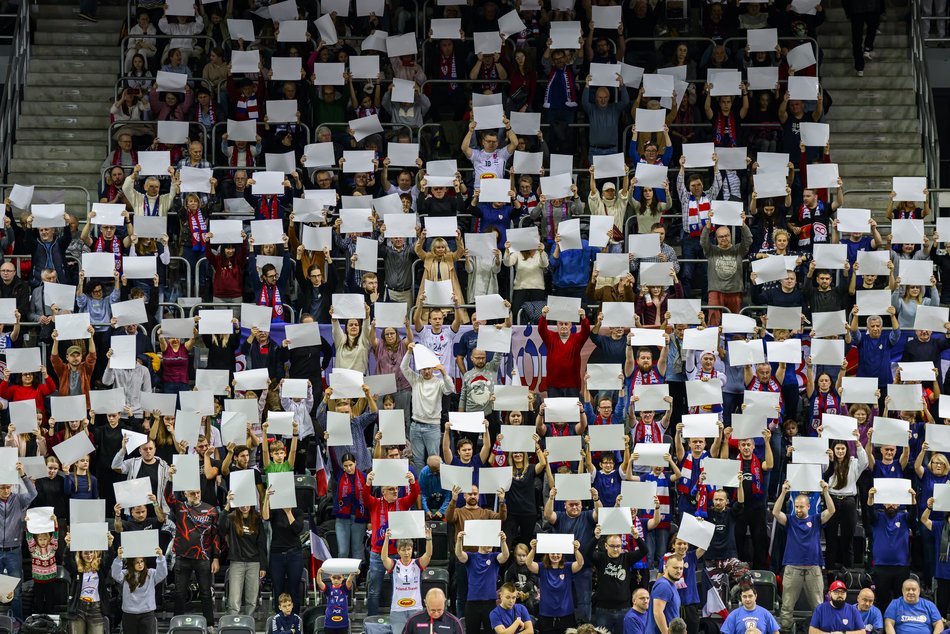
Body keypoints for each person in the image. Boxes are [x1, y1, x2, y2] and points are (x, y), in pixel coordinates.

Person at [774, 480, 837, 633]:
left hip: (813, 568)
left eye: (801, 506)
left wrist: (826, 492)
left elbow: (832, 510)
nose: (798, 509)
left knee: (818, 605)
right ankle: (786, 629)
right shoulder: (790, 520)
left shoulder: (816, 519)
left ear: (809, 506)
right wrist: (783, 492)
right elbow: (775, 513)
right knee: (787, 606)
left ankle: (820, 631)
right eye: (796, 506)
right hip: (792, 567)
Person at [164, 466, 220, 624]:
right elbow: (168, 497)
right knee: (180, 593)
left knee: (205, 593)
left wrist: (215, 557)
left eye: (198, 492)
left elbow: (216, 535)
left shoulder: (211, 511)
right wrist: (170, 479)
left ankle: (209, 624)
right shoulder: (180, 507)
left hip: (203, 557)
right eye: (192, 493)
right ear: (185, 494)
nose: (196, 495)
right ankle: (177, 623)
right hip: (183, 557)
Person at [382, 527, 433, 634]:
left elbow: (428, 555)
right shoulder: (394, 564)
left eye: (409, 549)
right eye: (403, 550)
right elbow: (383, 558)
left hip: (416, 608)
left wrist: (429, 539)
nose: (406, 553)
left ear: (412, 549)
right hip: (397, 610)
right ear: (398, 551)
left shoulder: (417, 564)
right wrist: (386, 539)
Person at [111, 546, 168, 634]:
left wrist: (160, 557)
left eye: (141, 561)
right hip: (129, 614)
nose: (140, 564)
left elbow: (163, 573)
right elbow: (115, 574)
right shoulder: (126, 574)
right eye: (137, 562)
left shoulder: (151, 573)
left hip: (147, 614)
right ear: (132, 563)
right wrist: (119, 558)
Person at [645, 553, 684, 634]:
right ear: (665, 568)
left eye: (681, 568)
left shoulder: (669, 584)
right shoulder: (664, 585)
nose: (679, 571)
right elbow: (657, 612)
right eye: (675, 567)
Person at [314, 566, 356, 633]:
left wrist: (352, 574)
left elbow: (349, 580)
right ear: (330, 577)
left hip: (343, 623)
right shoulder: (328, 589)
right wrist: (318, 573)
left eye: (339, 578)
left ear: (343, 578)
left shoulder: (344, 588)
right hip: (329, 623)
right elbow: (319, 582)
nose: (336, 580)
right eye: (334, 578)